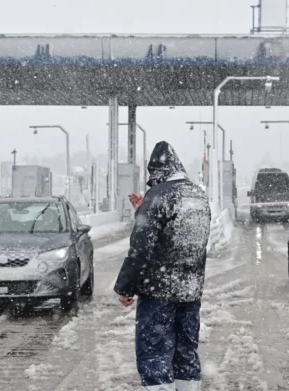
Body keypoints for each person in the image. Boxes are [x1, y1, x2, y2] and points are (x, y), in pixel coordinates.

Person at [115, 141, 212, 391]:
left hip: (158, 290)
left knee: (155, 355)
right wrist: (144, 210)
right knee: (185, 352)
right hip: (190, 290)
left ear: (157, 173)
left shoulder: (158, 196)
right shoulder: (198, 196)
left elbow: (141, 249)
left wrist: (125, 287)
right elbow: (180, 235)